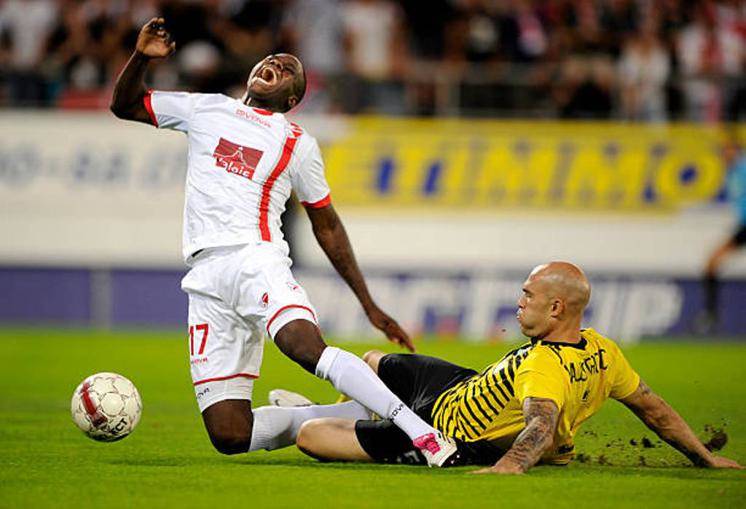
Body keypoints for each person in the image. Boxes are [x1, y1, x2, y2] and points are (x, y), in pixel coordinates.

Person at [109, 18, 456, 466]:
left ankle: (421, 434)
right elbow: (125, 106)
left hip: (257, 259)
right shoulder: (205, 109)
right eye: (273, 58)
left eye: (289, 67)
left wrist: (367, 303)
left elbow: (326, 224)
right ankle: (338, 413)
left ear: (292, 99)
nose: (275, 62)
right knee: (230, 434)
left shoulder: (296, 142)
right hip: (205, 278)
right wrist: (141, 58)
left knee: (304, 347)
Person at [256, 262, 743, 473]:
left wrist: (508, 466)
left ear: (555, 309)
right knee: (373, 361)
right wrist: (703, 456)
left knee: (311, 436)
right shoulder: (604, 349)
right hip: (463, 387)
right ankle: (361, 411)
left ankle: (350, 418)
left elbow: (541, 425)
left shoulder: (543, 368)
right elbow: (652, 408)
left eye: (527, 296)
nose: (518, 303)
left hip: (448, 433)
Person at [701, 140, 746, 332]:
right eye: (723, 151)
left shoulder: (743, 168)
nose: (725, 155)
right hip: (742, 226)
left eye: (728, 150)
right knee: (712, 263)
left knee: (712, 262)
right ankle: (711, 315)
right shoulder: (730, 173)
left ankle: (711, 316)